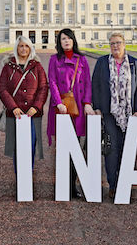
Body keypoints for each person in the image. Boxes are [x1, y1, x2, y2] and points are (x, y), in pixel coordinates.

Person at [91, 32, 137, 199]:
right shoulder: (102, 62)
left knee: (126, 148)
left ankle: (124, 181)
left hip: (129, 113)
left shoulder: (135, 63)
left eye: (118, 43)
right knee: (111, 149)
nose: (115, 46)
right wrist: (98, 107)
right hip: (109, 112)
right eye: (112, 43)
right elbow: (96, 85)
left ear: (124, 44)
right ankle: (113, 184)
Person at [46, 28, 93, 199]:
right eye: (63, 39)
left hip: (78, 108)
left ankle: (73, 185)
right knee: (63, 148)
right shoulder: (54, 59)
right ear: (59, 42)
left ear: (73, 40)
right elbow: (52, 81)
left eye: (69, 38)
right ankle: (63, 185)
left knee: (76, 149)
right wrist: (58, 102)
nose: (66, 41)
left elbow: (88, 82)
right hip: (61, 108)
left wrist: (87, 103)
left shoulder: (82, 60)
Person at [0, 36, 48, 174]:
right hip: (14, 114)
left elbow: (43, 88)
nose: (24, 49)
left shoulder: (37, 66)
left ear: (30, 48)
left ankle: (27, 175)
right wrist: (13, 107)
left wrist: (36, 107)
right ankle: (19, 177)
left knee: (30, 146)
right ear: (16, 48)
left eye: (27, 46)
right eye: (21, 46)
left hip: (33, 114)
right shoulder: (8, 67)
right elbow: (2, 88)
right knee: (17, 147)